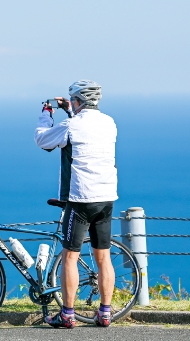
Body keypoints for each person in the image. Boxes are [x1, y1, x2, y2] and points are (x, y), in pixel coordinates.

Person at [34, 80, 118, 328]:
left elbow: (43, 140)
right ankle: (105, 313)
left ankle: (68, 314)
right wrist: (71, 109)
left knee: (70, 257)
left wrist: (47, 112)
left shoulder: (70, 125)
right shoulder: (110, 123)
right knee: (103, 257)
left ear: (78, 101)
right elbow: (86, 129)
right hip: (106, 197)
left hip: (81, 199)